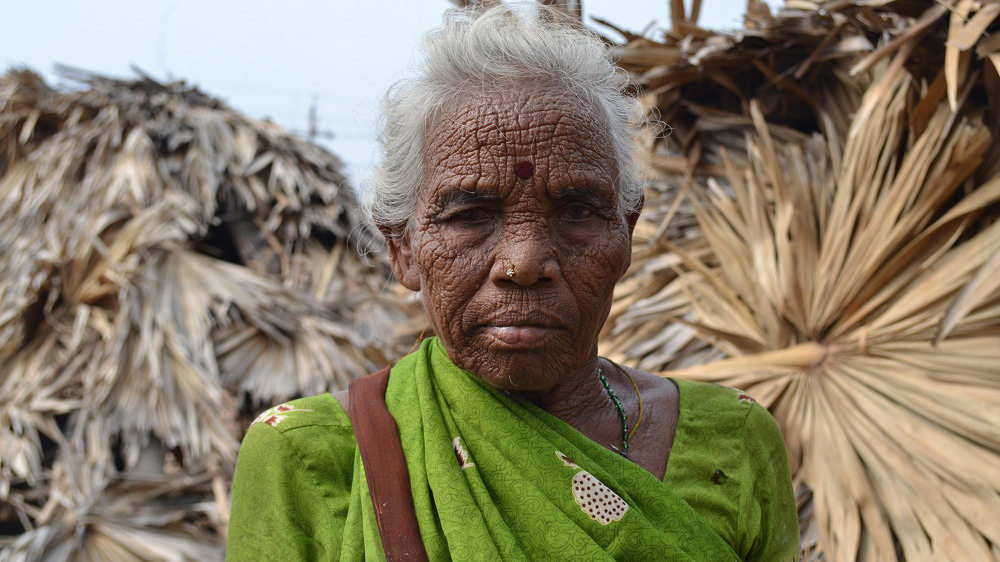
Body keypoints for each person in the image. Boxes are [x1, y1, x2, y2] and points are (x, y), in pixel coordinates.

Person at [226, 5, 799, 561]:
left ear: (624, 235)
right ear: (402, 249)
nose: (524, 263)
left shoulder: (734, 441)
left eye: (577, 211)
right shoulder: (305, 454)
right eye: (470, 215)